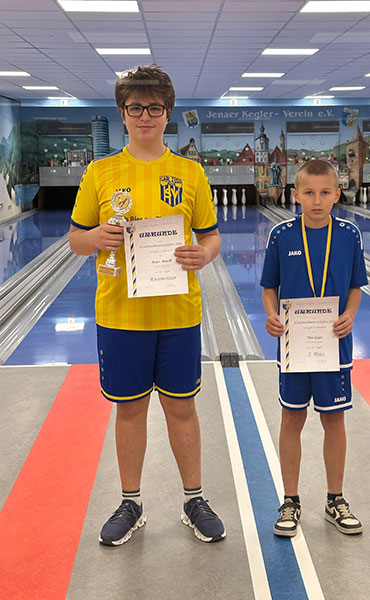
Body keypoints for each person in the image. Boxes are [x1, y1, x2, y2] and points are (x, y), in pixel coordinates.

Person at [69, 64, 225, 546]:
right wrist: (95, 237)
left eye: (154, 108)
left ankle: (194, 499)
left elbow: (212, 236)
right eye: (135, 107)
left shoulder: (190, 172)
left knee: (182, 408)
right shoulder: (100, 173)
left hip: (178, 314)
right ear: (122, 113)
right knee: (130, 410)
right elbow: (75, 239)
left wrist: (204, 254)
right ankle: (130, 503)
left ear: (167, 113)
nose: (144, 116)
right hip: (120, 315)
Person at [260, 159, 367, 537]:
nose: (317, 201)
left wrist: (350, 315)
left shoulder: (350, 234)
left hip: (334, 344)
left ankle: (335, 499)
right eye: (309, 193)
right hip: (294, 345)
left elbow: (355, 287)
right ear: (296, 195)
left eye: (324, 193)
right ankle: (290, 500)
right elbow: (269, 288)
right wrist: (271, 316)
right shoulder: (281, 235)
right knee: (291, 419)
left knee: (334, 420)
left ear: (337, 194)